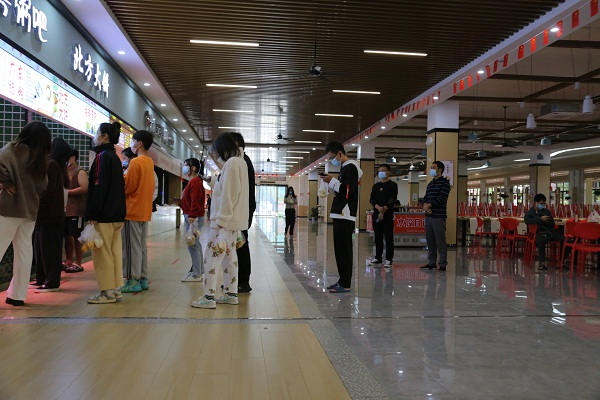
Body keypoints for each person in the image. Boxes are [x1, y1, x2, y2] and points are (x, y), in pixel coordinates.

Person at [191, 132, 249, 309]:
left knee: (212, 257)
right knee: (230, 258)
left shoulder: (232, 164)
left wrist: (222, 220)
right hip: (233, 222)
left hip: (224, 222)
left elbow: (229, 195)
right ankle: (231, 293)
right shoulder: (240, 162)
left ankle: (208, 296)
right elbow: (229, 188)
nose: (217, 155)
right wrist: (214, 181)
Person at [0, 121, 51, 306]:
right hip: (29, 211)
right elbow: (43, 185)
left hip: (9, 208)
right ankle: (18, 295)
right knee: (24, 252)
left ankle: (16, 294)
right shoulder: (40, 158)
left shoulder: (14, 149)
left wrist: (6, 182)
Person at [86, 122, 126, 304]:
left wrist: (92, 212)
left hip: (104, 214)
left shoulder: (102, 157)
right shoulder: (115, 158)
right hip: (117, 214)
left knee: (102, 254)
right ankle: (116, 288)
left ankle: (106, 292)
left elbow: (98, 186)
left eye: (97, 133)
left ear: (105, 137)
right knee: (115, 252)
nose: (95, 136)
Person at [320, 141, 363, 293]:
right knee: (339, 249)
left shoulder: (350, 167)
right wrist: (331, 182)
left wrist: (331, 181)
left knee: (344, 250)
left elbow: (347, 191)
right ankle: (342, 280)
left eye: (332, 157)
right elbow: (342, 189)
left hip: (345, 214)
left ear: (339, 153)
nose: (332, 160)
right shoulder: (344, 168)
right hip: (340, 213)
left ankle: (345, 283)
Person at [32, 137, 70, 292]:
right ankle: (42, 278)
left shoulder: (51, 165)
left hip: (48, 215)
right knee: (42, 249)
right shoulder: (58, 166)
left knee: (48, 250)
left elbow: (47, 191)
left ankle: (51, 282)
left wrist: (37, 204)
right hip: (51, 216)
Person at [121, 130, 155, 293]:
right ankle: (142, 278)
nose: (132, 144)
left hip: (132, 210)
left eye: (133, 141)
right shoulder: (149, 162)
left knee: (130, 248)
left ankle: (132, 280)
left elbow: (129, 187)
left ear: (139, 143)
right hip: (144, 210)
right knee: (141, 247)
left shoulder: (135, 162)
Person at [228, 132, 255, 293]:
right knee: (239, 244)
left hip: (242, 210)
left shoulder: (241, 161)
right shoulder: (242, 160)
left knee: (241, 244)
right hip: (243, 209)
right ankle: (237, 280)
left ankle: (242, 281)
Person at [421, 161, 451, 272]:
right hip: (429, 216)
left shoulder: (445, 183)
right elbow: (426, 197)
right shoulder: (430, 183)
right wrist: (425, 206)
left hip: (438, 216)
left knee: (440, 241)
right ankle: (432, 262)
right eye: (431, 167)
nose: (431, 169)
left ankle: (442, 263)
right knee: (430, 241)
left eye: (434, 167)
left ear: (440, 170)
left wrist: (429, 205)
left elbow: (442, 198)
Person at [180, 157, 206, 282]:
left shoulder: (195, 182)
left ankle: (196, 274)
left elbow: (195, 200)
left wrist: (192, 215)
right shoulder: (193, 181)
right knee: (195, 244)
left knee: (193, 244)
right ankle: (198, 270)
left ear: (193, 168)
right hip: (192, 216)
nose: (184, 167)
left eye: (186, 165)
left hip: (193, 217)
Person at [524, 193, 565, 270]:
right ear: (536, 203)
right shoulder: (530, 212)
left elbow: (552, 223)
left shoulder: (547, 211)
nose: (542, 205)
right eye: (541, 204)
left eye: (544, 204)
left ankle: (561, 261)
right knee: (540, 241)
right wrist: (540, 219)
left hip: (550, 232)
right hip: (540, 233)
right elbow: (527, 221)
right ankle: (542, 263)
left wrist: (547, 221)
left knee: (566, 241)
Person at [63, 148, 88, 273]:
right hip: (64, 210)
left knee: (77, 236)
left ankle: (78, 262)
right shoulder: (63, 170)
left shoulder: (80, 171)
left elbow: (84, 188)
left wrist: (67, 192)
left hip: (76, 210)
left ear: (73, 158)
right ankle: (68, 261)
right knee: (67, 236)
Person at [369, 164, 398, 268]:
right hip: (376, 214)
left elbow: (392, 199)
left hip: (387, 215)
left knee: (388, 237)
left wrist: (383, 211)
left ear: (388, 172)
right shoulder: (376, 186)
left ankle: (389, 259)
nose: (381, 172)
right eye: (380, 170)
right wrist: (378, 208)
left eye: (383, 170)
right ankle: (378, 257)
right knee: (378, 237)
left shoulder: (393, 185)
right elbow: (372, 199)